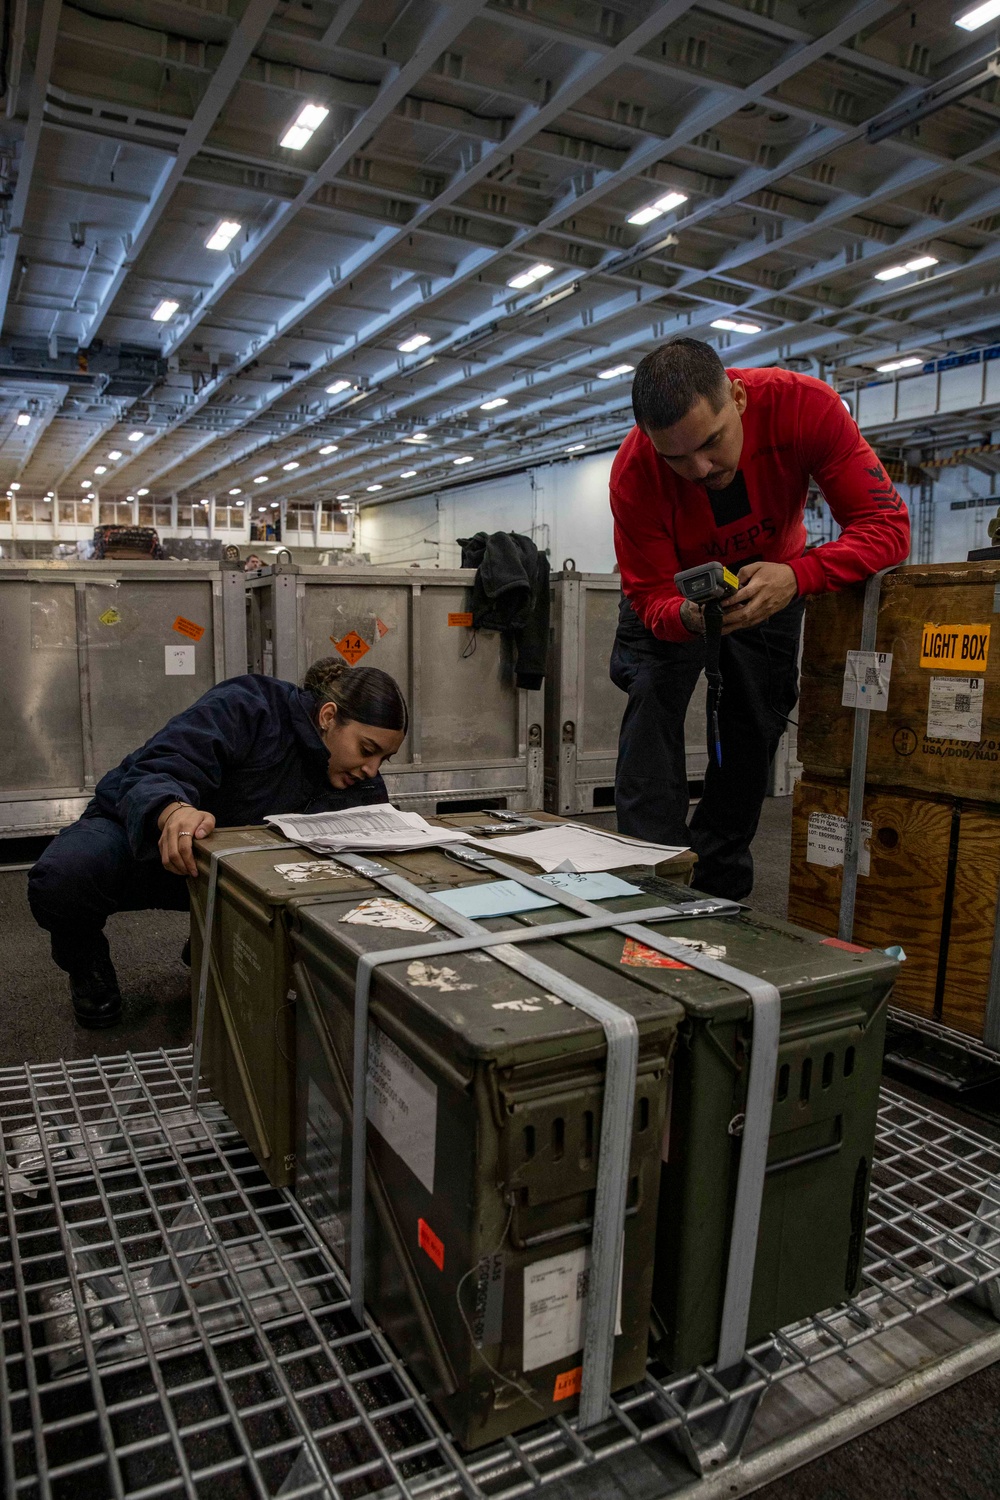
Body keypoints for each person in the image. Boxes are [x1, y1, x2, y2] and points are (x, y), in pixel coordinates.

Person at [610, 339, 910, 900]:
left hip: (773, 576)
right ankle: (648, 879)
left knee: (753, 727)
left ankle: (718, 884)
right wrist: (690, 617)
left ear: (740, 399)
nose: (698, 469)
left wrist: (799, 576)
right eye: (676, 458)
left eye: (710, 443)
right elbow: (649, 595)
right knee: (651, 703)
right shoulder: (633, 474)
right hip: (680, 594)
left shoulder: (807, 408)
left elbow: (888, 527)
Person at [28, 660, 408, 1028]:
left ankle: (219, 941)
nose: (371, 770)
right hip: (151, 840)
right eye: (366, 749)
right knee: (66, 877)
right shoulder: (249, 705)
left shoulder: (359, 781)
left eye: (383, 760)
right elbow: (164, 763)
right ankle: (87, 966)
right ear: (328, 717)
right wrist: (173, 810)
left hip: (230, 876)